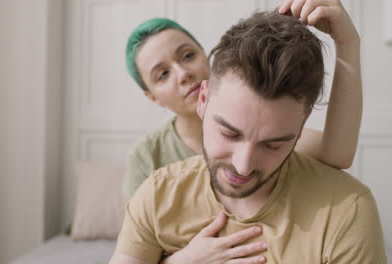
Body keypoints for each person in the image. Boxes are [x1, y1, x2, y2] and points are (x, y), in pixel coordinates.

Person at [110, 1, 387, 263]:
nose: (242, 166)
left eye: (272, 144)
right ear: (203, 101)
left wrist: (348, 44)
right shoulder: (155, 184)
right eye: (229, 134)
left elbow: (337, 152)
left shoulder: (346, 210)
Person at [123, 0, 362, 199]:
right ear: (153, 97)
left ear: (205, 54)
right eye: (163, 74)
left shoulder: (264, 132)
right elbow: (138, 246)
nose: (183, 73)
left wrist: (348, 43)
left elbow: (338, 153)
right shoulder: (147, 156)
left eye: (187, 55)